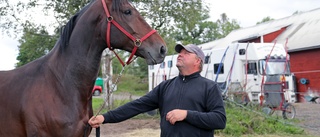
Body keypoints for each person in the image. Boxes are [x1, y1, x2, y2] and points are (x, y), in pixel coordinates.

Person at [88, 44, 226, 137]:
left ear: (198, 61)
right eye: (180, 52)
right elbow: (137, 106)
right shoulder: (165, 86)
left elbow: (219, 120)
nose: (180, 55)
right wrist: (105, 117)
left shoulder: (209, 87)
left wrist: (186, 114)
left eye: (186, 53)